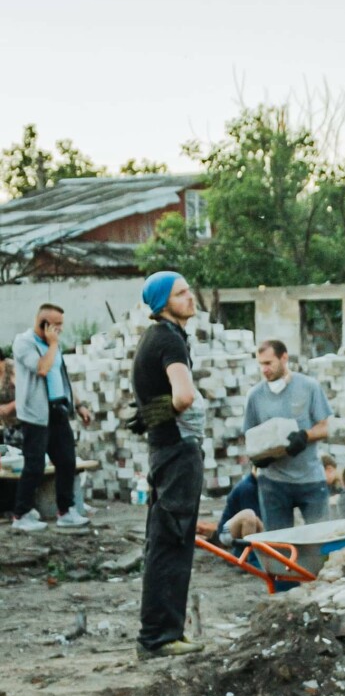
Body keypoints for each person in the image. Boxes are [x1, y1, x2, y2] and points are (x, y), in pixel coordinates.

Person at [131, 272, 205, 657]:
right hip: (177, 452)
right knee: (171, 542)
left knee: (169, 541)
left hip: (167, 451)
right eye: (181, 293)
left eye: (189, 290)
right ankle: (158, 637)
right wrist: (162, 409)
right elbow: (185, 395)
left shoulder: (161, 337)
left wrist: (152, 411)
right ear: (162, 303)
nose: (190, 297)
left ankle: (167, 632)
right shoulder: (167, 339)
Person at [11, 303, 91, 532]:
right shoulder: (24, 343)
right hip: (36, 413)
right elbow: (42, 369)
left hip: (58, 410)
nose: (60, 331)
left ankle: (66, 511)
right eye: (56, 326)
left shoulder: (54, 345)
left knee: (67, 461)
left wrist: (79, 405)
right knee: (35, 465)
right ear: (43, 324)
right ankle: (21, 513)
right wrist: (53, 344)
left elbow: (60, 378)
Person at [242, 341, 333, 534]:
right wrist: (259, 457)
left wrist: (304, 436)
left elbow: (325, 428)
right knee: (278, 543)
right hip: (273, 482)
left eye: (269, 363)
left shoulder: (309, 387)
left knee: (321, 537)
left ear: (284, 358)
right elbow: (249, 437)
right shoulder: (255, 396)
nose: (264, 369)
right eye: (261, 364)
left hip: (310, 479)